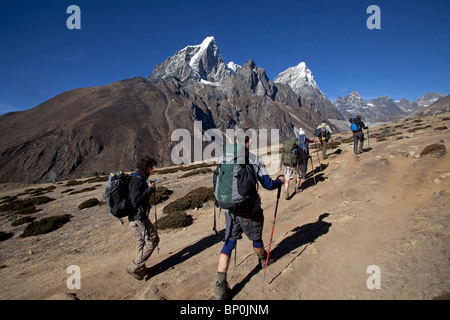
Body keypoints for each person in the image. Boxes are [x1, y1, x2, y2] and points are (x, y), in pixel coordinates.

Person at [214, 135, 285, 300]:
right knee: (255, 237)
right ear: (249, 142)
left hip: (229, 209)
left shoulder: (223, 157)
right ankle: (263, 259)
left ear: (235, 141)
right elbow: (267, 185)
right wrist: (279, 181)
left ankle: (220, 285)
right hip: (249, 209)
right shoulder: (254, 160)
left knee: (229, 243)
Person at [125, 156, 160, 281]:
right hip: (139, 217)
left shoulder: (136, 178)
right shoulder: (137, 180)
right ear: (145, 167)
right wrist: (149, 190)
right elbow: (136, 200)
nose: (152, 169)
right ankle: (134, 267)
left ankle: (141, 269)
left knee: (140, 242)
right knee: (153, 240)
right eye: (151, 167)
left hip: (134, 217)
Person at [283, 128, 314, 199]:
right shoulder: (298, 148)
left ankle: (286, 191)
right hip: (296, 165)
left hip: (287, 165)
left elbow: (282, 156)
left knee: (287, 179)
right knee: (298, 175)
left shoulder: (287, 148)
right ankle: (297, 188)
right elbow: (304, 157)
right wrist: (309, 156)